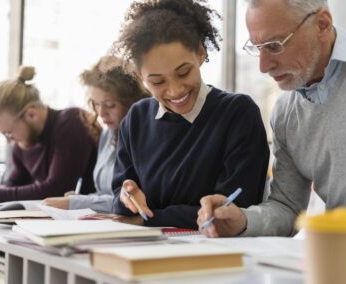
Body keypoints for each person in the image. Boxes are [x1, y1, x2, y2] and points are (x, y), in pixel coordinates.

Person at [198, 0, 346, 237]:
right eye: (257, 48)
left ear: (322, 24)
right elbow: (287, 207)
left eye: (274, 46)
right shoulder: (285, 116)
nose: (263, 66)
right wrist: (243, 221)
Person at [106, 0, 269, 229]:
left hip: (215, 252)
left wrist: (148, 219)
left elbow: (232, 210)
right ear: (139, 76)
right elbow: (120, 200)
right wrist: (127, 197)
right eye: (157, 81)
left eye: (183, 73)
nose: (175, 90)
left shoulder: (237, 114)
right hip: (144, 249)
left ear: (201, 53)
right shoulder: (136, 119)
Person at [43, 55, 149, 212]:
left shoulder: (145, 137)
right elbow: (105, 194)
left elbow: (132, 201)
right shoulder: (108, 135)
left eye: (110, 105)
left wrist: (78, 202)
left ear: (131, 102)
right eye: (96, 104)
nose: (101, 113)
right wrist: (81, 199)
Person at [0, 66, 99, 203]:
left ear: (31, 114)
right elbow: (13, 185)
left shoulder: (72, 121)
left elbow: (57, 189)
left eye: (8, 133)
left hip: (102, 216)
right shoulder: (22, 141)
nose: (9, 141)